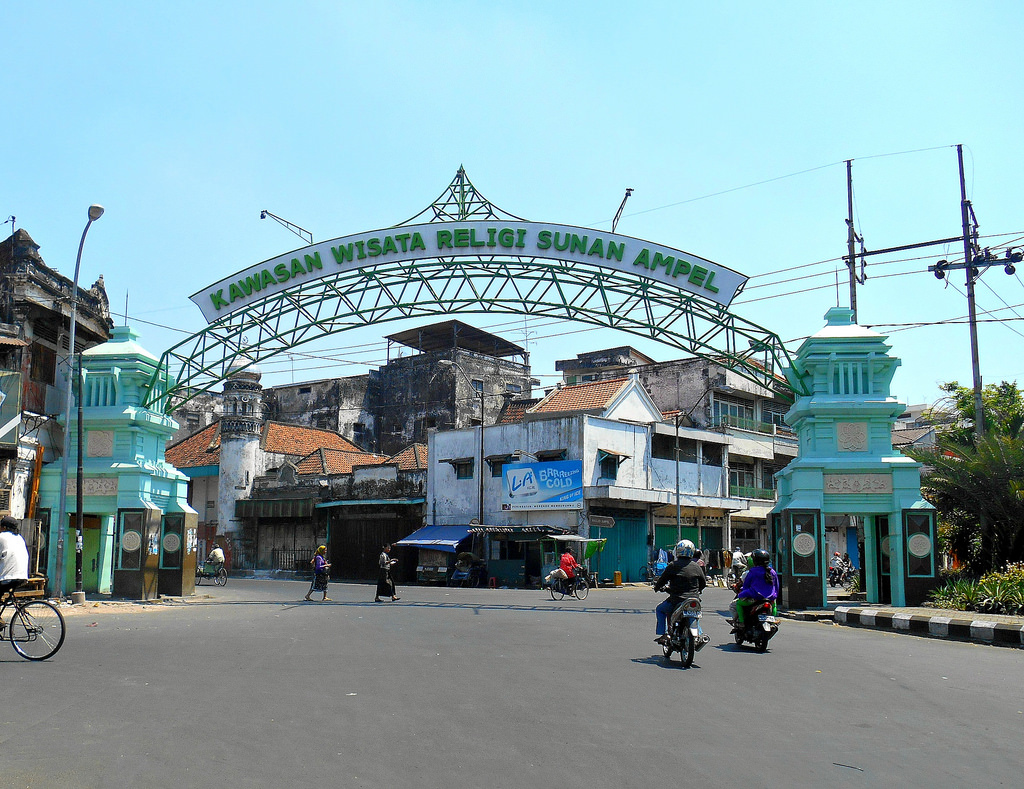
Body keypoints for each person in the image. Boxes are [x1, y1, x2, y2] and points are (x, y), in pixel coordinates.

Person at [653, 539, 706, 645]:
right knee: (694, 615)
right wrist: (698, 590)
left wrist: (657, 587)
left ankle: (663, 634)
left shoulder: (673, 565)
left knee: (660, 609)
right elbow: (703, 583)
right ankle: (698, 635)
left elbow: (662, 580)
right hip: (694, 599)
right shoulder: (696, 566)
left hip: (676, 600)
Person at [732, 549, 779, 632]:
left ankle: (742, 622)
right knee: (774, 604)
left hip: (754, 597)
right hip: (770, 597)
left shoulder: (753, 571)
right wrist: (774, 594)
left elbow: (746, 585)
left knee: (738, 603)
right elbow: (776, 586)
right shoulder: (772, 571)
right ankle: (773, 620)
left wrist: (743, 593)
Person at [0, 516, 30, 628]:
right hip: (22, 576)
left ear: (3, 527)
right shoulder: (19, 538)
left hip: (7, 577)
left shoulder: (1, 537)